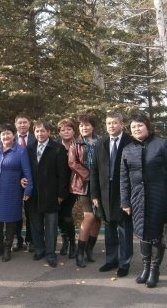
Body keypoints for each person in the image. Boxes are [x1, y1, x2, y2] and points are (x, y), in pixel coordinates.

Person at [120, 113, 167, 288]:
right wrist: (125, 202)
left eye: (140, 125)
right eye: (133, 127)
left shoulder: (162, 145)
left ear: (147, 126)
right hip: (137, 198)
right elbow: (124, 178)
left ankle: (155, 269)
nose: (137, 129)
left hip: (159, 197)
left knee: (156, 236)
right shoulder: (128, 149)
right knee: (142, 234)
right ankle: (145, 267)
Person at [90, 112, 134, 277]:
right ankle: (111, 260)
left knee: (124, 229)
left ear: (121, 124)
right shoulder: (100, 143)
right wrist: (94, 194)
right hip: (104, 193)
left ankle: (124, 262)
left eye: (114, 123)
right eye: (108, 123)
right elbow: (93, 170)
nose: (111, 126)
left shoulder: (130, 142)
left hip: (123, 192)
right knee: (109, 228)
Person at [0, 123, 34, 262]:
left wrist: (28, 189)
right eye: (3, 133)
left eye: (8, 133)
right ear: (0, 136)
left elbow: (27, 172)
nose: (6, 136)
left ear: (13, 135)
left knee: (10, 220)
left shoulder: (20, 150)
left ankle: (7, 249)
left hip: (12, 191)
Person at [27, 120, 70, 268]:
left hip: (52, 195)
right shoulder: (29, 148)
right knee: (35, 225)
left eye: (43, 131)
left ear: (49, 133)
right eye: (37, 131)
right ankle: (39, 249)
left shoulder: (57, 149)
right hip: (33, 195)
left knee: (51, 227)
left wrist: (61, 195)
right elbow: (25, 171)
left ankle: (51, 254)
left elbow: (63, 174)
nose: (40, 134)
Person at [68, 113, 101, 268]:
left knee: (99, 218)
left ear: (92, 126)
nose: (84, 127)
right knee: (89, 216)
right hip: (84, 184)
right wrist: (89, 176)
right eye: (81, 125)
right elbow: (72, 163)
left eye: (87, 125)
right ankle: (79, 252)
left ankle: (90, 249)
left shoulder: (101, 141)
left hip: (101, 185)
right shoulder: (76, 143)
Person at [14, 113, 36, 251]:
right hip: (14, 182)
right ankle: (17, 239)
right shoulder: (9, 138)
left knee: (30, 212)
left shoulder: (36, 138)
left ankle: (30, 239)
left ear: (29, 124)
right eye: (20, 122)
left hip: (31, 181)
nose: (22, 125)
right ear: (16, 124)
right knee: (15, 211)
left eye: (25, 122)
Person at [56, 118, 78, 259]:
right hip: (57, 186)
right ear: (59, 132)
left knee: (66, 214)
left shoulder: (79, 145)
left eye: (69, 129)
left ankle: (72, 242)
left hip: (73, 185)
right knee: (58, 214)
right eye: (63, 130)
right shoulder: (55, 146)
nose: (66, 132)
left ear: (73, 131)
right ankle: (64, 240)